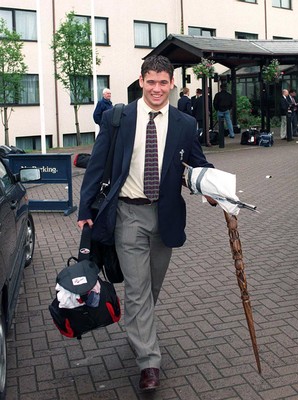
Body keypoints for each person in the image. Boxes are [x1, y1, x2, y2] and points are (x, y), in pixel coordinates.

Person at [77, 55, 216, 391]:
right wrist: (85, 208)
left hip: (165, 216)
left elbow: (197, 164)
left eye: (163, 82)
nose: (157, 88)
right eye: (150, 82)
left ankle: (137, 330)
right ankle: (149, 362)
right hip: (127, 214)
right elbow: (96, 166)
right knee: (137, 290)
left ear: (171, 85)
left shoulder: (183, 123)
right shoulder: (117, 119)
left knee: (151, 288)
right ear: (141, 81)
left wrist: (215, 190)